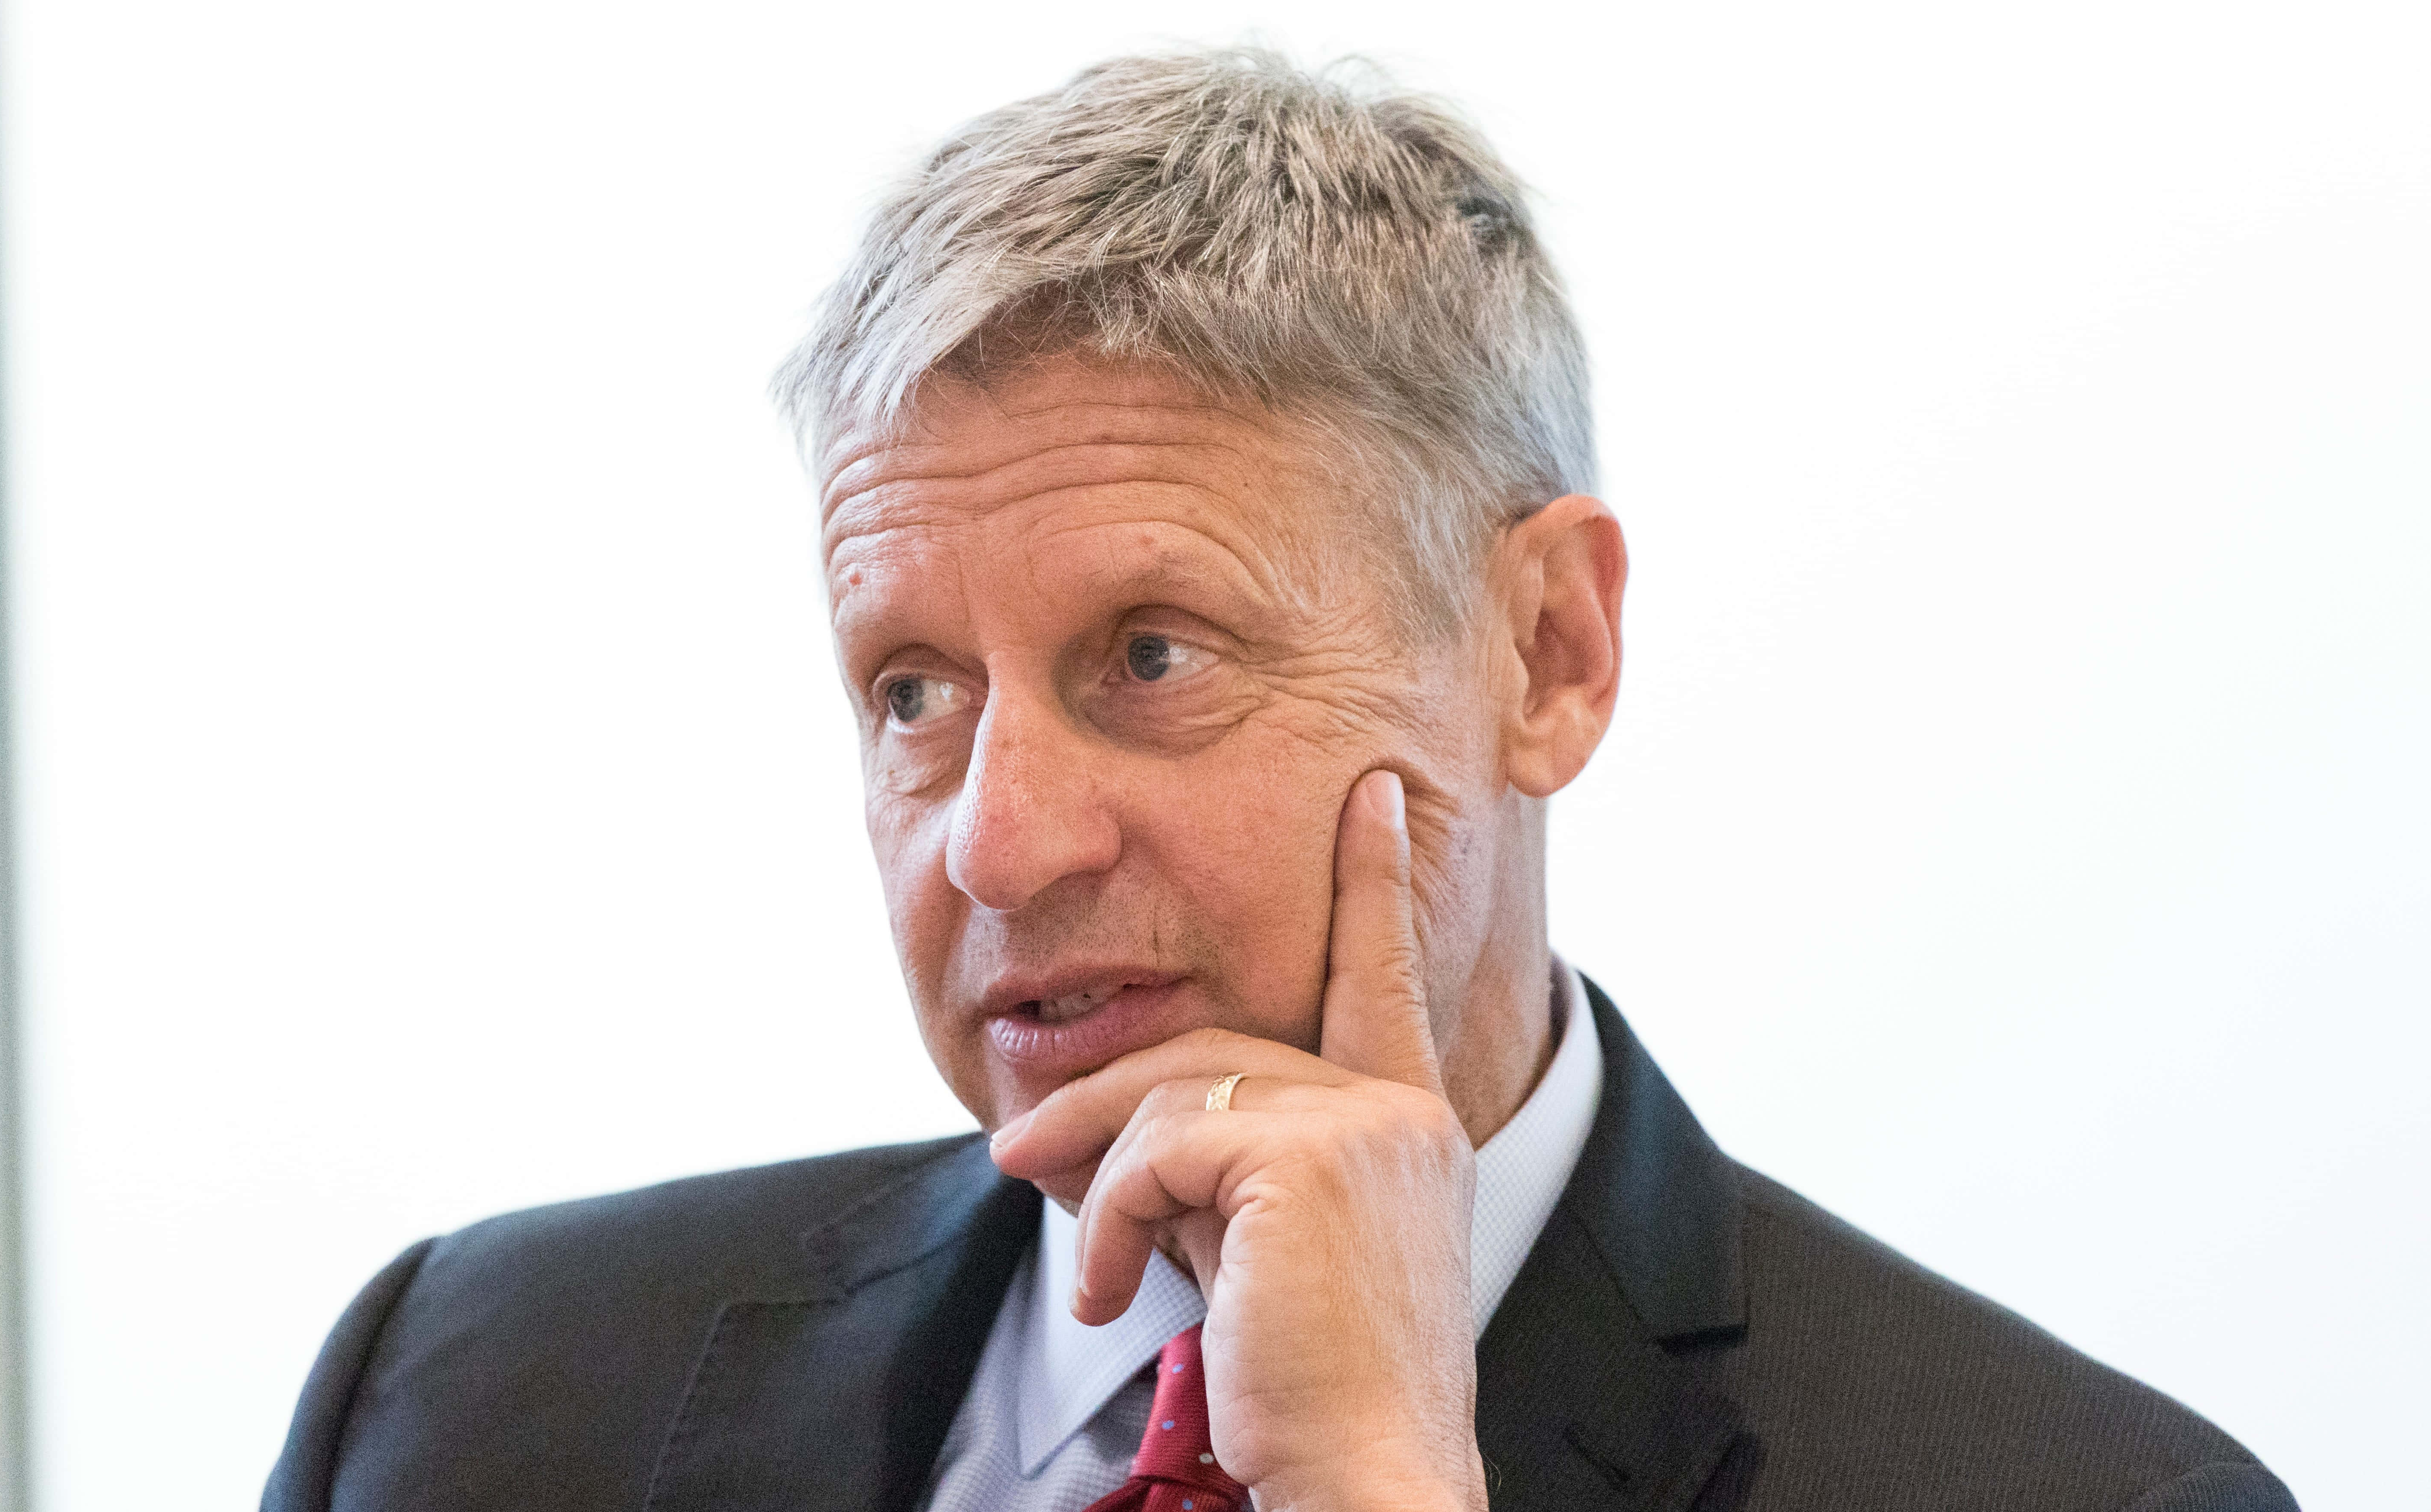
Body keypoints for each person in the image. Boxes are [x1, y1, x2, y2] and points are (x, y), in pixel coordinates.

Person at [263, 49, 2293, 1512]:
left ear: (1548, 654)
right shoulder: (464, 1405)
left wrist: (1380, 1483)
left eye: (1152, 656)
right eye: (914, 693)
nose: (998, 841)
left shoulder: (2080, 1494)